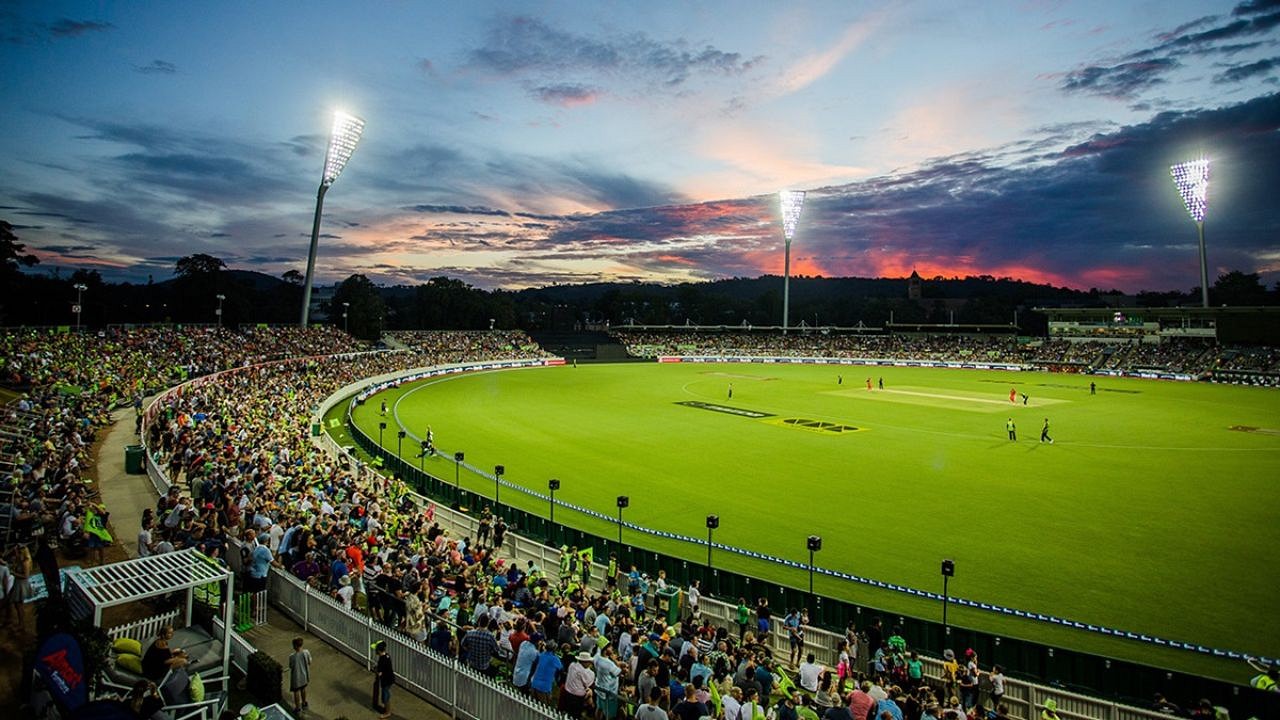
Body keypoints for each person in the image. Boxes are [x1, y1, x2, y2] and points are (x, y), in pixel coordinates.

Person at [288, 636, 312, 713]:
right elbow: (309, 662)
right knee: (303, 689)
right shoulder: (306, 652)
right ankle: (304, 703)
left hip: (296, 677)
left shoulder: (292, 657)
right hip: (304, 676)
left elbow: (291, 666)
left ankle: (298, 707)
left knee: (296, 692)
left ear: (295, 646)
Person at [375, 640, 394, 719]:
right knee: (386, 694)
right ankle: (387, 709)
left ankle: (387, 712)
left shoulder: (382, 660)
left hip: (385, 681)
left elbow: (380, 673)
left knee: (385, 697)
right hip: (390, 679)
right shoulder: (387, 656)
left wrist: (376, 670)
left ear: (379, 650)